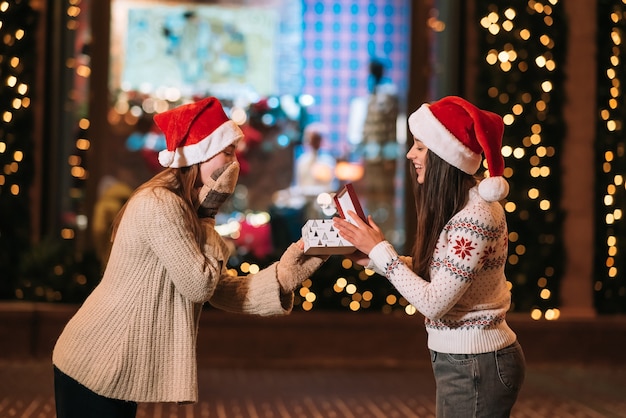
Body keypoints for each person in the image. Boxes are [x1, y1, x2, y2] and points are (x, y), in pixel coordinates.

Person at [52, 97, 327, 418]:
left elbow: (217, 288)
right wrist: (210, 212)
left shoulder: (181, 206)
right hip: (95, 362)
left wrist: (284, 275)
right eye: (227, 151)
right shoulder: (160, 204)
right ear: (199, 154)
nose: (235, 163)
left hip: (112, 365)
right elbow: (200, 286)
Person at [333, 96, 526, 417]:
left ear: (444, 156)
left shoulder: (474, 218)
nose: (411, 154)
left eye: (420, 147)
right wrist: (375, 258)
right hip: (467, 361)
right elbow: (445, 277)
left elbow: (435, 301)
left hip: (475, 363)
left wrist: (382, 253)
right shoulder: (465, 206)